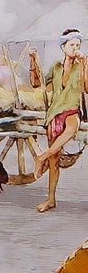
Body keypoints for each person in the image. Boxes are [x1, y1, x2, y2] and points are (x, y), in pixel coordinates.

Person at [36, 28, 86, 212]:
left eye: (78, 45)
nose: (75, 48)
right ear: (63, 47)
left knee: (71, 129)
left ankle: (42, 156)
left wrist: (85, 62)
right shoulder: (56, 67)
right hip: (55, 113)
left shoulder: (81, 66)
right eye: (72, 45)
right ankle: (51, 199)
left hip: (72, 111)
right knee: (54, 161)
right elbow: (37, 82)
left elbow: (87, 88)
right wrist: (34, 61)